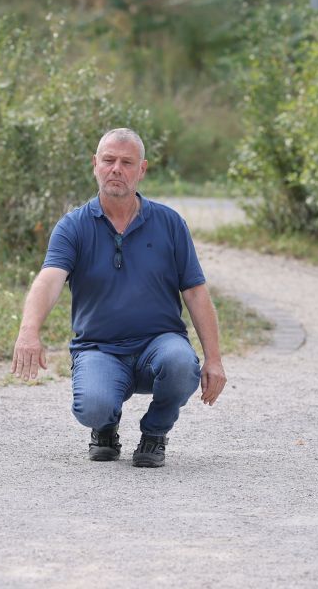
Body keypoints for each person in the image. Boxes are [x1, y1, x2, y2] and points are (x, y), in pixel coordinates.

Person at [11, 128, 227, 468]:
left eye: (127, 163)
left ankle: (155, 433)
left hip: (159, 343)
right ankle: (105, 426)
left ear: (141, 170)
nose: (116, 169)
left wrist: (213, 359)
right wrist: (28, 331)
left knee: (183, 365)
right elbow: (49, 280)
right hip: (99, 348)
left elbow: (196, 292)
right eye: (109, 160)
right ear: (95, 165)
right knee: (92, 406)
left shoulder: (170, 224)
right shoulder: (73, 227)